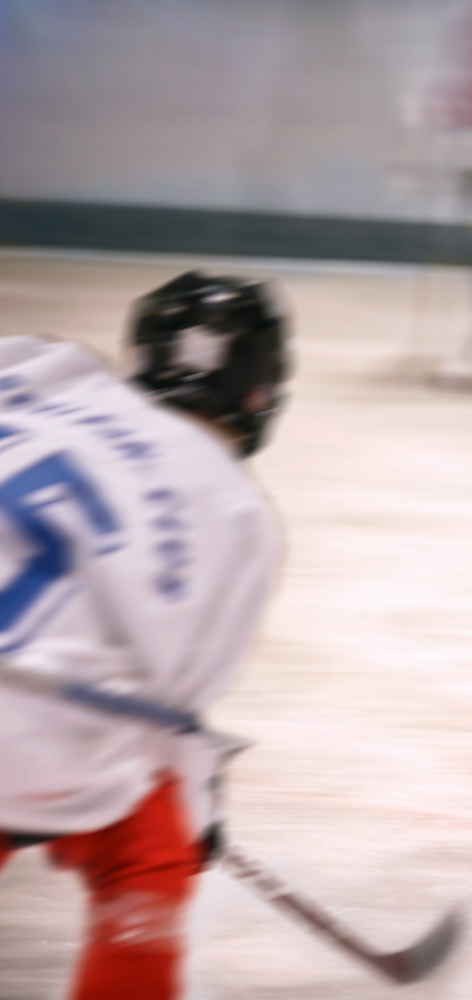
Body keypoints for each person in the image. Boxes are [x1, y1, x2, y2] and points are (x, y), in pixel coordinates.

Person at [0, 272, 288, 999]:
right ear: (261, 394)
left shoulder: (40, 369)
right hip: (27, 729)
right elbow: (172, 717)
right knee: (147, 860)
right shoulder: (238, 517)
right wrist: (199, 818)